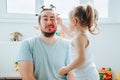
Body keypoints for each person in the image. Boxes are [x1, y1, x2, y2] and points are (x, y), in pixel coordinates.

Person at [17, 4, 75, 80]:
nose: (49, 22)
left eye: (52, 18)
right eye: (45, 19)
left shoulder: (68, 45)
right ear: (39, 24)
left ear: (57, 23)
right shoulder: (27, 44)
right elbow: (27, 77)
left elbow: (73, 75)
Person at [57, 4, 99, 80]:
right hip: (89, 74)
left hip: (86, 76)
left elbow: (81, 59)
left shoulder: (79, 38)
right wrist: (61, 24)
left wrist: (66, 69)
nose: (69, 24)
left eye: (69, 21)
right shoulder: (80, 35)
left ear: (74, 21)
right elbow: (69, 33)